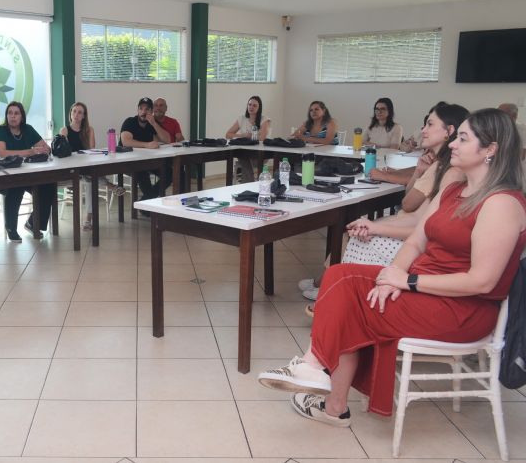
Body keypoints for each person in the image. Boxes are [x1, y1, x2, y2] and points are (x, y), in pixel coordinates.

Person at [259, 108, 526, 426]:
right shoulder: (455, 190)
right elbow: (416, 240)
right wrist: (389, 277)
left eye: (463, 139)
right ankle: (321, 381)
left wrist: (408, 281)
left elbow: (481, 282)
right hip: (426, 286)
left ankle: (322, 383)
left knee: (349, 297)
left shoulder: (502, 204)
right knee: (338, 275)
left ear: (491, 150)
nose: (453, 144)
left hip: (463, 309)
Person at [299, 103, 469, 302]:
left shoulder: (450, 170)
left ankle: (332, 291)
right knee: (357, 230)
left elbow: (412, 211)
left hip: (415, 239)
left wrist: (376, 227)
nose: (423, 130)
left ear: (449, 131)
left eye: (429, 124)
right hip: (413, 229)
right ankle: (330, 287)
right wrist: (417, 172)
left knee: (355, 237)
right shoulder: (439, 165)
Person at [0, 101, 54, 241]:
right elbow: (2, 153)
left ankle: (33, 223)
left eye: (16, 113)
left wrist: (44, 149)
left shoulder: (28, 129)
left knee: (48, 186)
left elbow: (46, 147)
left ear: (22, 116)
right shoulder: (0, 130)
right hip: (1, 174)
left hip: (24, 172)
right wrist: (30, 151)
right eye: (9, 113)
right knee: (16, 187)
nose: (12, 116)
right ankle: (11, 229)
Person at [59, 101, 124, 230]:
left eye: (80, 112)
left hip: (87, 165)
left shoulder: (89, 130)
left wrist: (89, 136)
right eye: (74, 111)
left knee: (90, 179)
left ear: (84, 116)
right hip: (72, 168)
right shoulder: (64, 130)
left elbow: (92, 149)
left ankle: (88, 220)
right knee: (90, 179)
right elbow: (61, 149)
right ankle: (110, 186)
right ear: (70, 114)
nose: (76, 115)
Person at [120, 97, 172, 203]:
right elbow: (126, 142)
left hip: (147, 160)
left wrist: (154, 124)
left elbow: (167, 139)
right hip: (127, 162)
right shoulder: (130, 122)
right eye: (141, 108)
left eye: (147, 109)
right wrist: (147, 145)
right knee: (142, 172)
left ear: (151, 111)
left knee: (168, 172)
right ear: (137, 110)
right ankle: (148, 206)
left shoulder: (152, 123)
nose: (143, 112)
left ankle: (144, 203)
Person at [225, 95, 271, 182]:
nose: (251, 107)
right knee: (241, 156)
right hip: (245, 152)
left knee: (243, 160)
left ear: (259, 108)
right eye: (249, 104)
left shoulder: (265, 119)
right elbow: (228, 134)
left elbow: (262, 138)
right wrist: (243, 135)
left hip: (261, 153)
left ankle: (244, 178)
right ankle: (247, 182)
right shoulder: (242, 119)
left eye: (254, 105)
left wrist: (253, 135)